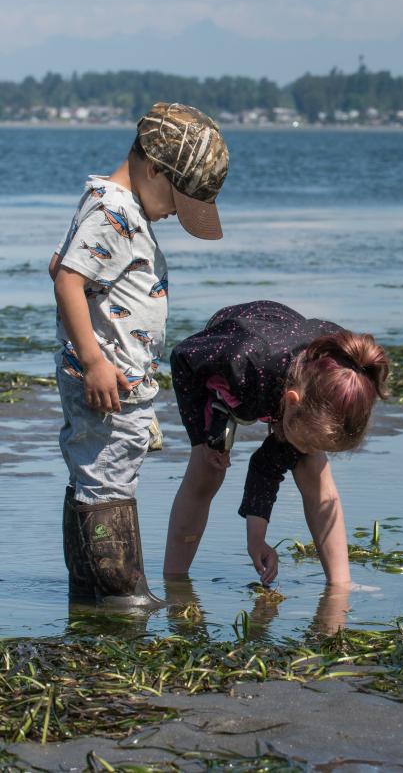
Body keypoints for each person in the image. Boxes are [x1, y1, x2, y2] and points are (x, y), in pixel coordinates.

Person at [50, 103, 229, 606]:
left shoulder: (109, 206)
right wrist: (93, 362)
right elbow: (69, 278)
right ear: (154, 168)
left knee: (99, 473)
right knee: (108, 478)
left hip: (114, 379)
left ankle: (90, 590)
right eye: (177, 200)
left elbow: (62, 268)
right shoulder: (113, 211)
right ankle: (120, 589)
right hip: (104, 382)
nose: (176, 213)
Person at [163, 300, 389, 587]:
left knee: (312, 469)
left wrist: (256, 539)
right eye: (309, 441)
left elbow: (266, 465)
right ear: (291, 405)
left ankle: (341, 586)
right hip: (234, 352)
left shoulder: (344, 370)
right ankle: (175, 581)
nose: (306, 449)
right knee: (207, 471)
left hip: (292, 372)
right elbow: (183, 355)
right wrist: (202, 438)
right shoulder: (241, 359)